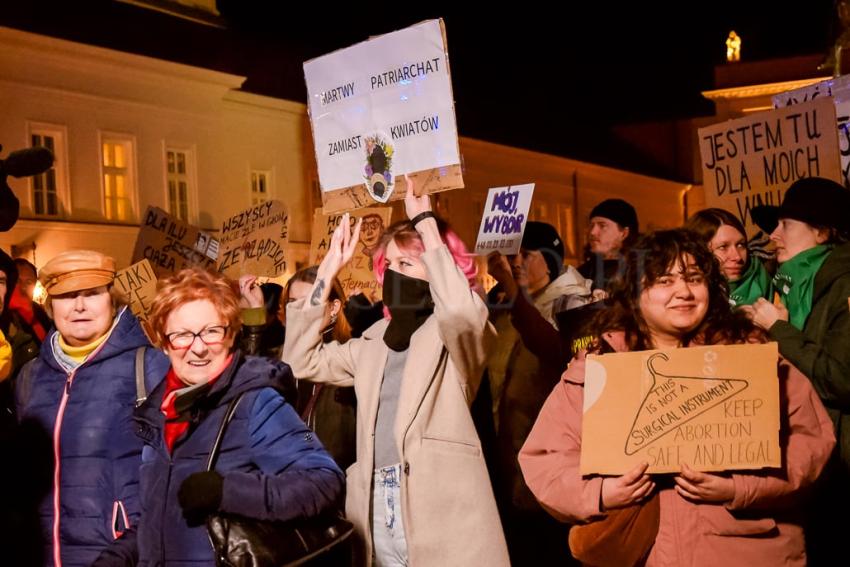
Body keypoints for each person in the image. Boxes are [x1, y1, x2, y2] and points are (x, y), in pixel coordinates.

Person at [519, 229, 835, 566]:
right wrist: (602, 494)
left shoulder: (750, 353)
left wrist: (738, 487)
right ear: (635, 290)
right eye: (665, 280)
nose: (683, 291)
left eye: (694, 278)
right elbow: (546, 458)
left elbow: (812, 440)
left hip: (747, 553)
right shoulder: (601, 364)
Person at [283, 178, 510, 566]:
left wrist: (425, 222)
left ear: (437, 271)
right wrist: (327, 270)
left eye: (406, 264)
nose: (393, 275)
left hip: (438, 504)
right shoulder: (373, 340)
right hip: (375, 500)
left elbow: (460, 310)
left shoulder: (453, 336)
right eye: (388, 265)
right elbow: (300, 360)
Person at [95, 267, 344, 566]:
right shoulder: (160, 414)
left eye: (212, 331)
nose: (198, 348)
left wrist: (227, 490)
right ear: (163, 342)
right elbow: (161, 520)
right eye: (183, 335)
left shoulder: (255, 402)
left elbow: (325, 482)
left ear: (231, 334)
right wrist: (120, 556)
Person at [14, 250, 170, 567]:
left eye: (93, 293)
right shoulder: (30, 377)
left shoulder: (149, 367)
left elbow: (172, 478)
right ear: (50, 305)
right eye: (67, 295)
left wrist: (128, 550)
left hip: (119, 557)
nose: (80, 306)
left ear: (112, 299)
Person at [743, 176, 850, 566]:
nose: (773, 235)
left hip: (840, 475)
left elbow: (842, 379)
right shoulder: (786, 285)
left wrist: (780, 330)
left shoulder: (843, 285)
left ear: (822, 232)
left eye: (786, 225)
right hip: (807, 467)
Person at [484, 221, 591, 565]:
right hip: (510, 455)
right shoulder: (500, 306)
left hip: (553, 457)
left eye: (526, 254)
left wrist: (514, 295)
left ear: (550, 260)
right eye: (512, 254)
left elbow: (554, 349)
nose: (516, 261)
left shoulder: (573, 303)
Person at [283, 266, 357, 471]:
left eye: (309, 302)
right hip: (287, 470)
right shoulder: (281, 355)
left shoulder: (351, 355)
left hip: (332, 475)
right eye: (292, 303)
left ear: (334, 307)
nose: (300, 310)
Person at [685, 208, 773, 307]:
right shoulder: (687, 298)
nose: (737, 257)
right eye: (723, 247)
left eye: (740, 245)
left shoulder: (763, 276)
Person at [578, 198, 639, 292]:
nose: (592, 232)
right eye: (591, 225)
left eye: (602, 226)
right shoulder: (580, 274)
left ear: (624, 233)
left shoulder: (638, 274)